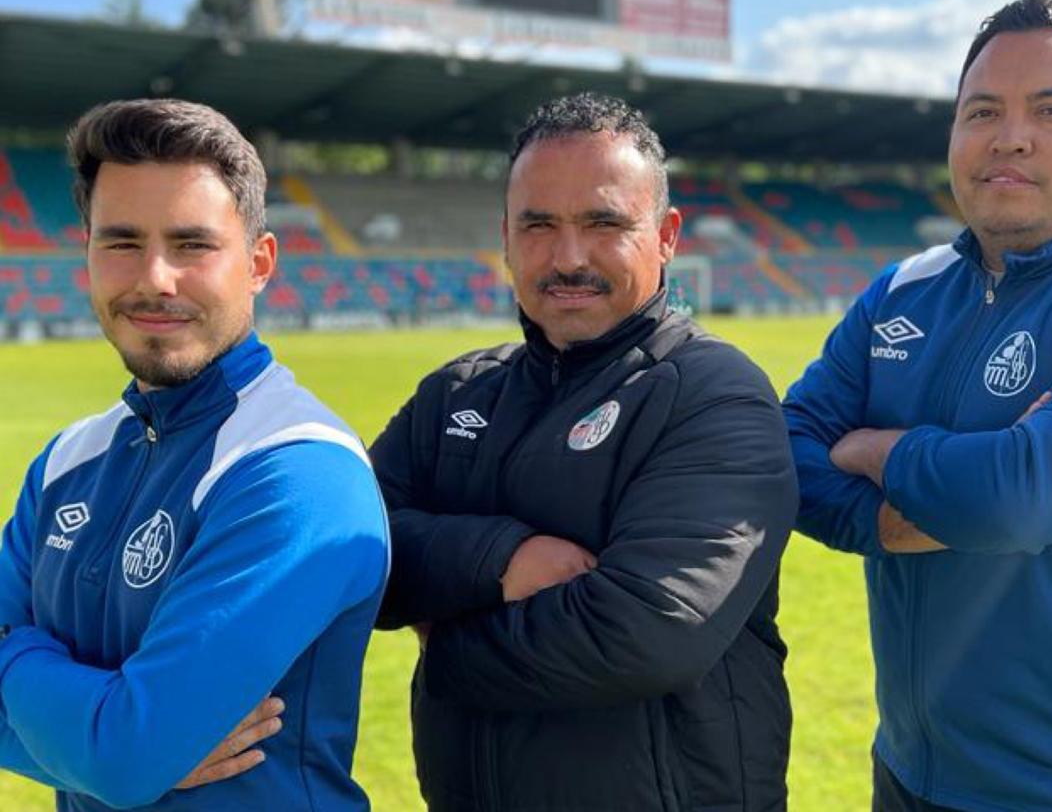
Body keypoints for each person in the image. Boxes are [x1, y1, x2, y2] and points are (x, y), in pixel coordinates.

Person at [784, 0, 1052, 812]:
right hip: (908, 769)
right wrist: (888, 521)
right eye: (983, 111)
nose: (1010, 135)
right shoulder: (903, 291)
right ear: (954, 137)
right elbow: (786, 451)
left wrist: (876, 452)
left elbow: (1029, 494)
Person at [369, 92, 797, 812]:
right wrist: (500, 560)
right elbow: (355, 555)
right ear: (505, 236)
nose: (568, 257)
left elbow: (644, 633)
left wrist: (442, 640)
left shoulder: (713, 394)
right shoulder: (454, 396)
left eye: (603, 223)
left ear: (665, 235)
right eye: (539, 225)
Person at [0, 99, 389, 810]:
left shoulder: (299, 474)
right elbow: (125, 753)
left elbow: (124, 757)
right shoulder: (63, 463)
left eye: (192, 244)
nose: (155, 277)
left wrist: (20, 665)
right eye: (121, 242)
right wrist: (105, 736)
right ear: (85, 250)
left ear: (259, 262)